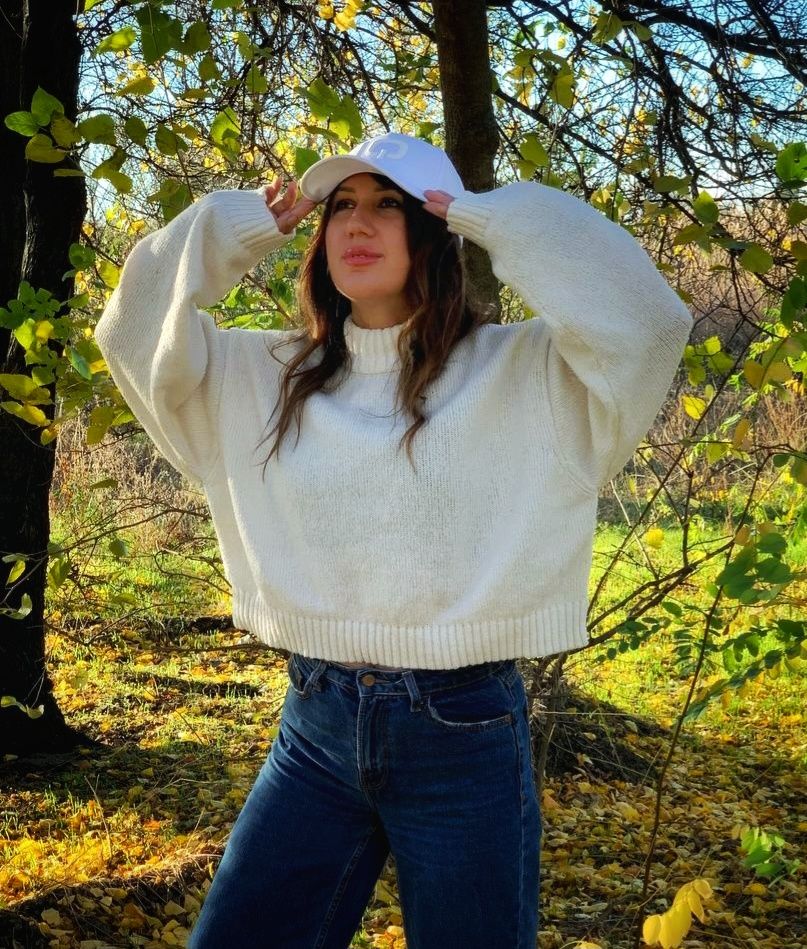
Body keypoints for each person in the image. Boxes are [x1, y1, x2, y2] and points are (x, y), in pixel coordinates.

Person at [94, 131, 692, 948]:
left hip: (463, 734)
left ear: (433, 229)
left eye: (388, 204)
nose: (356, 223)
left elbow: (648, 321)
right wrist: (236, 226)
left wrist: (491, 218)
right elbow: (130, 331)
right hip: (314, 727)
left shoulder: (530, 373)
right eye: (340, 205)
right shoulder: (260, 375)